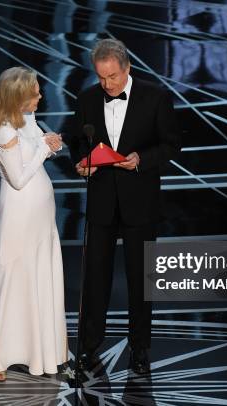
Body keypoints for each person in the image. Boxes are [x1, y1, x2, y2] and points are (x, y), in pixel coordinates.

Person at [70, 39, 181, 374]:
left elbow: (171, 145)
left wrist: (141, 159)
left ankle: (140, 350)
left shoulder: (155, 96)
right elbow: (79, 141)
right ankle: (90, 348)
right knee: (95, 280)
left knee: (139, 281)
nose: (107, 84)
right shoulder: (87, 99)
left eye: (113, 77)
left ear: (127, 67)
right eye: (102, 78)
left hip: (141, 204)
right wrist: (82, 163)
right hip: (102, 203)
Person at [0, 67, 68, 381]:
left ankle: (41, 353)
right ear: (17, 96)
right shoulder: (3, 130)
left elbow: (39, 149)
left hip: (40, 213)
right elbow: (18, 178)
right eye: (35, 92)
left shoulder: (26, 119)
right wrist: (44, 149)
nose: (40, 96)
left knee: (38, 274)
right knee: (12, 273)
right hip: (19, 212)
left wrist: (50, 143)